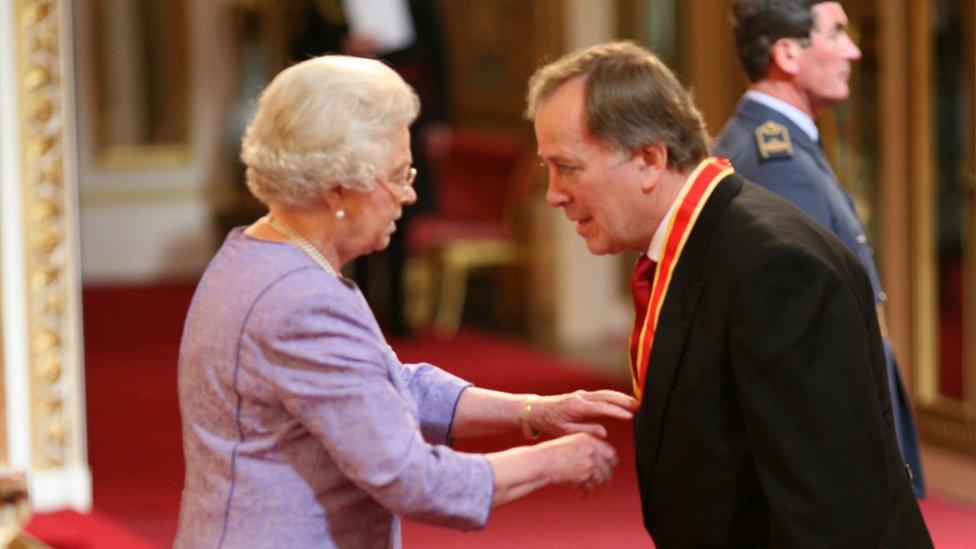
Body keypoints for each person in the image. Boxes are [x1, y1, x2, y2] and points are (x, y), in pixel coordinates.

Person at [175, 55, 637, 548]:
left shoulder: (258, 254)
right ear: (338, 185)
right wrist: (554, 461)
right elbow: (411, 479)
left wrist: (535, 412)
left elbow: (389, 385)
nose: (409, 195)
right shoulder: (300, 301)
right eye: (396, 176)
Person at [526, 41, 931, 546]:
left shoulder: (776, 270)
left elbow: (830, 515)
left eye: (568, 166)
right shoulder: (700, 244)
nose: (554, 193)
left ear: (650, 159)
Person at [712, 0, 925, 497]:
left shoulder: (775, 142)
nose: (852, 51)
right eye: (835, 33)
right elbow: (800, 338)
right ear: (787, 53)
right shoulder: (777, 162)